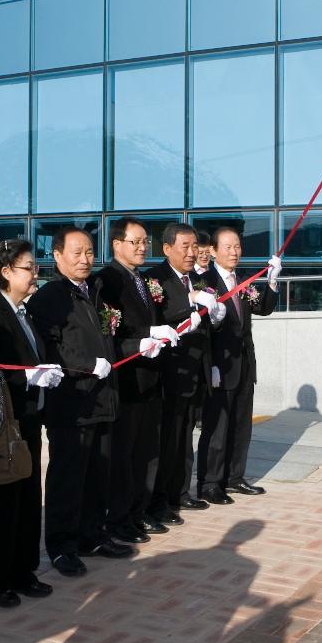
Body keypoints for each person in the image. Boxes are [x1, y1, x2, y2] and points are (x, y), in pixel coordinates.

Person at [0, 239, 63, 608]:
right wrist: (28, 378)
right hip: (1, 423)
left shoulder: (23, 310)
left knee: (28, 495)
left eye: (35, 267)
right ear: (5, 272)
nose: (35, 274)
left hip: (28, 419)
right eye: (28, 267)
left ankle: (24, 570)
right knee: (3, 501)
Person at [26, 228, 132, 578]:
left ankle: (92, 536)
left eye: (89, 252)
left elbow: (109, 339)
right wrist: (85, 366)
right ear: (57, 256)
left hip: (103, 399)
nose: (85, 259)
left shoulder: (97, 292)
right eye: (77, 252)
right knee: (67, 479)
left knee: (98, 476)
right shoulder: (48, 299)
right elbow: (51, 349)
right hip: (71, 404)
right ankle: (61, 546)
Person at [93, 218, 181, 543]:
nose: (144, 247)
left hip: (151, 380)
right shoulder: (106, 282)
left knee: (147, 452)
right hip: (127, 382)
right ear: (117, 244)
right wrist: (145, 337)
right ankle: (118, 519)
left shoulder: (143, 279)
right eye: (136, 242)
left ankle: (138, 512)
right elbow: (109, 335)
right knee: (124, 456)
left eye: (146, 242)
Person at [144, 224, 224, 523]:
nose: (192, 253)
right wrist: (188, 303)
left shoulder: (197, 280)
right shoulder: (154, 278)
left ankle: (179, 493)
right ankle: (157, 501)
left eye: (195, 247)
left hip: (195, 372)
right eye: (186, 247)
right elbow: (158, 315)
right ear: (167, 249)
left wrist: (213, 316)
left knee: (184, 439)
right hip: (169, 373)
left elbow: (204, 326)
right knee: (166, 443)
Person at [195, 227, 281, 503]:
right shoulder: (203, 282)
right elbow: (200, 327)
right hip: (219, 367)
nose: (234, 252)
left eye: (238, 247)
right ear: (214, 251)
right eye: (229, 247)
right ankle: (210, 483)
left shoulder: (242, 281)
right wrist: (210, 366)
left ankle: (234, 477)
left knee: (241, 426)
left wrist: (272, 281)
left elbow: (263, 308)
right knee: (217, 427)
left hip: (244, 364)